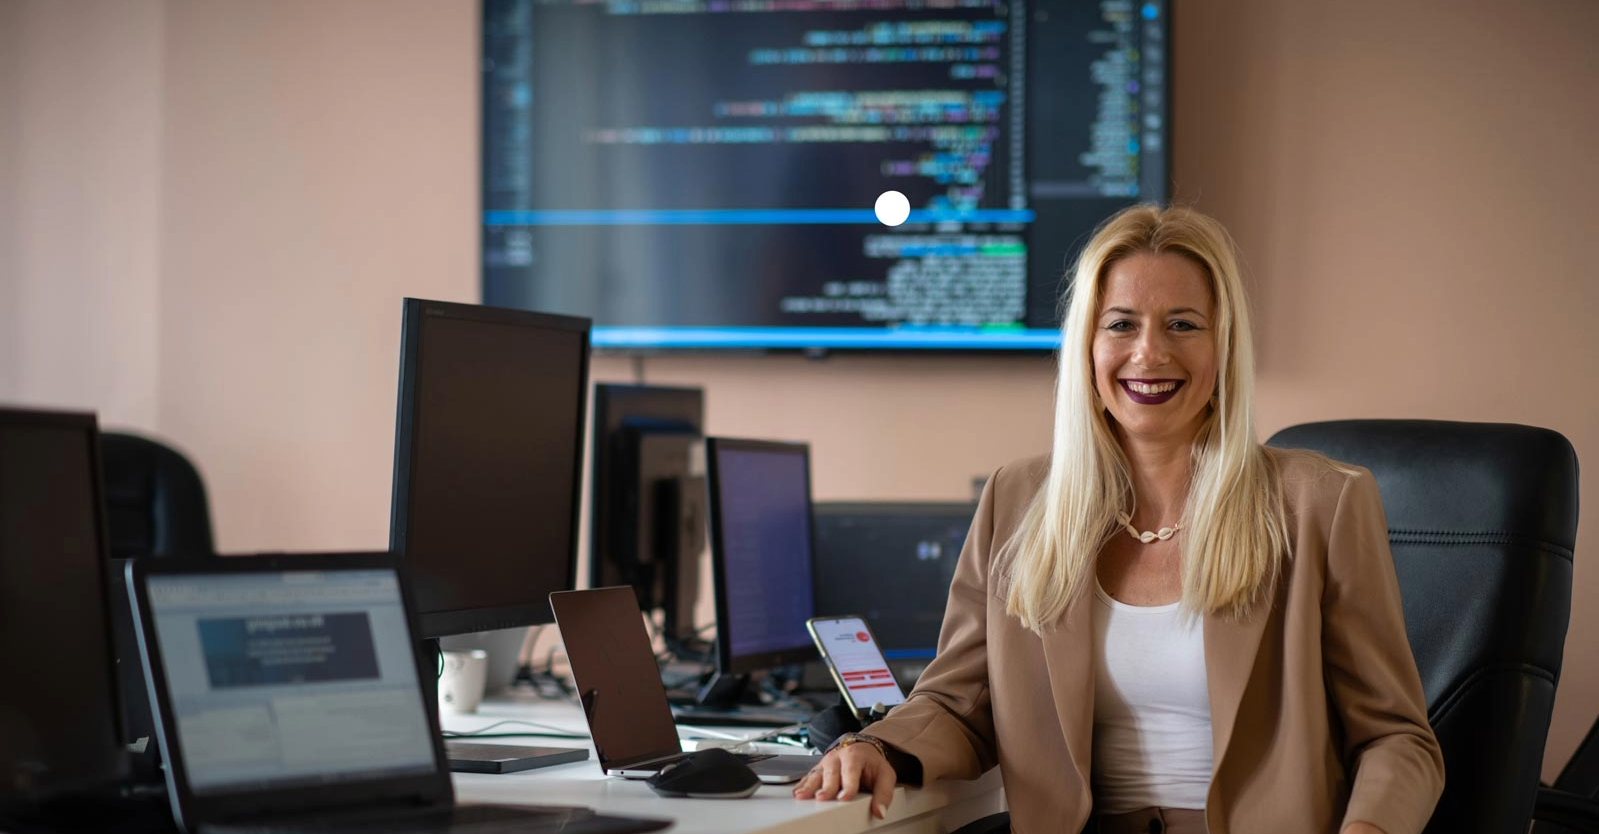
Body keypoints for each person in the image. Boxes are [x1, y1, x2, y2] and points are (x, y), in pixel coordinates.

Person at [792, 204, 1444, 833]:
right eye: (1121, 324)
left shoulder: (1319, 504)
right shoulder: (1017, 500)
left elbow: (1396, 739)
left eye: (1182, 325)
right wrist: (876, 748)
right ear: (1087, 345)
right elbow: (959, 702)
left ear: (1224, 347)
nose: (1148, 354)